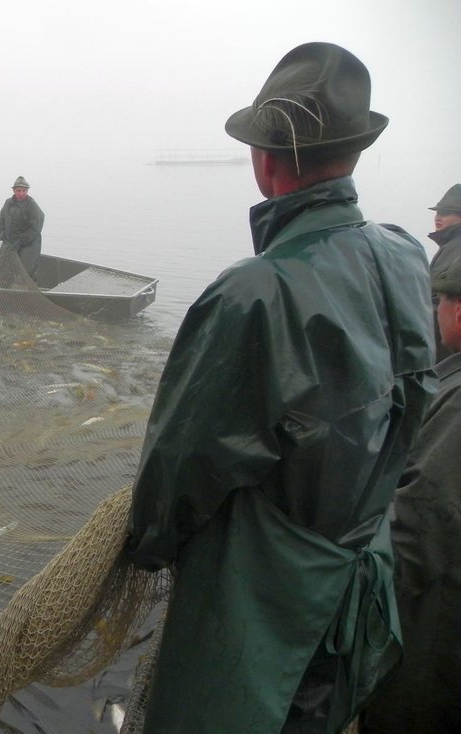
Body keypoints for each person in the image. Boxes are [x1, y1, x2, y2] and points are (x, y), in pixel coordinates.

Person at [124, 42, 435, 734]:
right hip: (359, 584)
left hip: (262, 609)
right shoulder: (408, 254)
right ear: (354, 155)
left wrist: (146, 546)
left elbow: (181, 468)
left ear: (265, 164)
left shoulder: (253, 294)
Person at [359, 241, 461, 733]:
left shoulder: (458, 404)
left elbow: (421, 526)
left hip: (436, 639)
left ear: (458, 312)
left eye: (438, 302)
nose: (433, 314)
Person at [427, 184, 461, 361]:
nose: (438, 218)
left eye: (446, 213)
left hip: (443, 354)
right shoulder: (450, 245)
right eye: (437, 212)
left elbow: (436, 302)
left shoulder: (455, 247)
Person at [0, 176, 44, 281]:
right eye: (18, 190)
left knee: (27, 273)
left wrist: (23, 240)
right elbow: (1, 219)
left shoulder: (32, 205)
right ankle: (4, 292)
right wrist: (3, 232)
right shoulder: (7, 203)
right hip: (10, 241)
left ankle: (30, 294)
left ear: (27, 191)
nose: (21, 193)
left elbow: (36, 227)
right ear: (13, 190)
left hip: (28, 244)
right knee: (4, 270)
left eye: (24, 190)